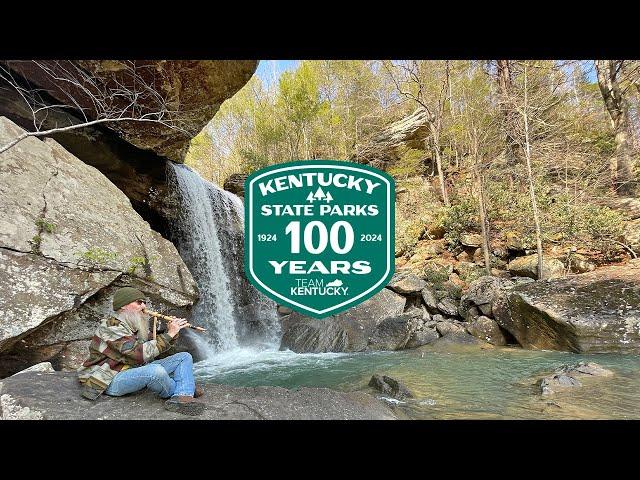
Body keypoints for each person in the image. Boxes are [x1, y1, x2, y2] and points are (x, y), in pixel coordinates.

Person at [77, 286, 205, 416]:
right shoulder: (111, 327)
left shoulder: (133, 325)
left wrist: (170, 332)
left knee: (184, 357)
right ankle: (184, 390)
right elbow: (138, 354)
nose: (143, 306)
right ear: (123, 306)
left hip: (132, 369)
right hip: (109, 378)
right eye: (139, 302)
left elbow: (154, 347)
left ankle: (182, 395)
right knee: (155, 371)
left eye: (144, 302)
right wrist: (170, 334)